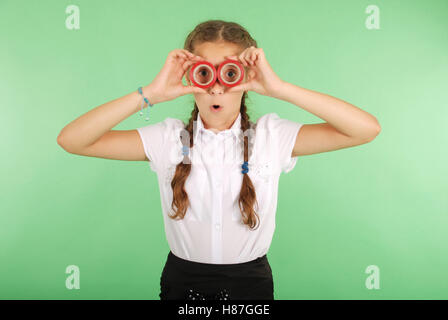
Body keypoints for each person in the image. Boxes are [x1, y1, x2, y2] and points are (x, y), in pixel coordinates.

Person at [57, 19, 381, 300]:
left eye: (229, 72)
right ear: (189, 77)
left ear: (246, 77)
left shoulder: (272, 137)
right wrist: (150, 94)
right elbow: (72, 140)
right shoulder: (167, 139)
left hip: (250, 285)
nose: (215, 87)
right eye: (203, 73)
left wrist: (279, 88)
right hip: (182, 283)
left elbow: (365, 129)